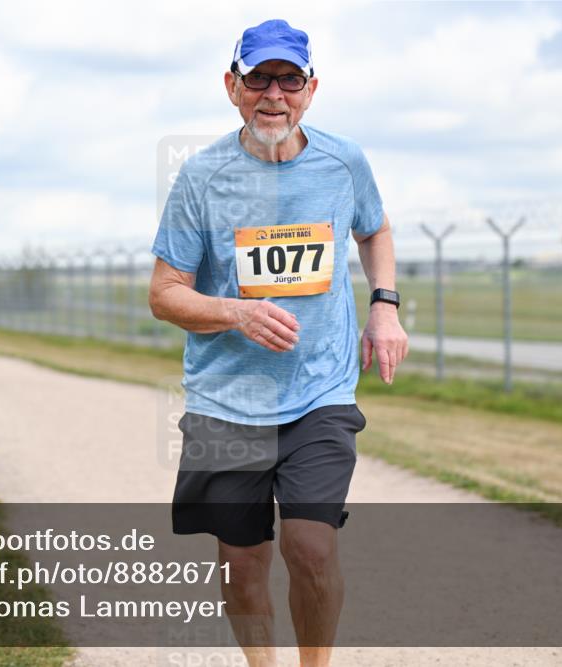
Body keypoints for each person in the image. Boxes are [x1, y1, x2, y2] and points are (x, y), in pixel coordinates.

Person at [147, 20, 408, 667]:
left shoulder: (343, 161)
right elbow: (164, 292)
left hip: (318, 389)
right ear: (232, 87)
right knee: (241, 562)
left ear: (311, 89)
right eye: (257, 78)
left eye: (288, 79)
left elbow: (374, 231)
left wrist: (384, 306)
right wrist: (235, 312)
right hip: (227, 397)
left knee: (311, 545)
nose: (273, 94)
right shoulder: (201, 178)